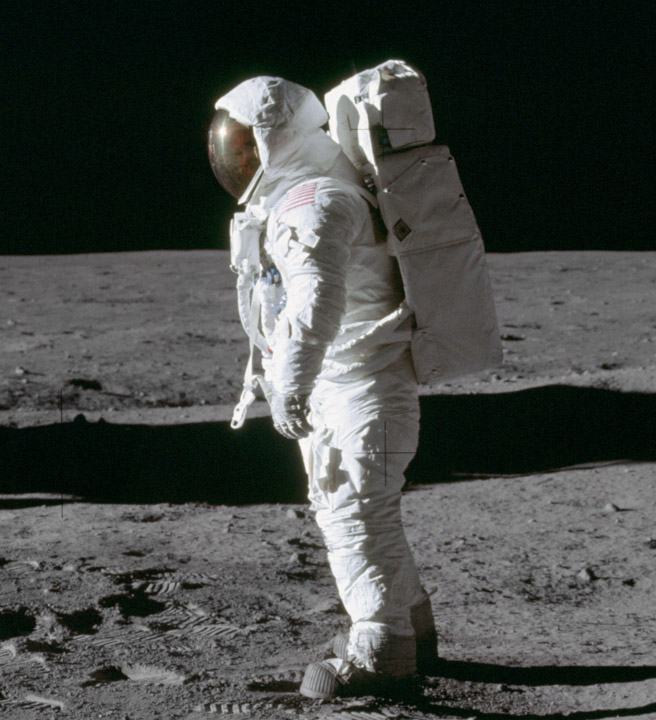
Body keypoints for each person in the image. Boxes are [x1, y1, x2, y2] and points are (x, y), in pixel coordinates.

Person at [209, 76, 436, 699]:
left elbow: (314, 303)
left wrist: (290, 384)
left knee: (354, 514)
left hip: (362, 388)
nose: (238, 161)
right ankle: (414, 628)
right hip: (358, 384)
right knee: (367, 511)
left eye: (246, 147)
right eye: (234, 149)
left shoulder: (312, 202)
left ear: (275, 141)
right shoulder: (316, 194)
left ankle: (385, 653)